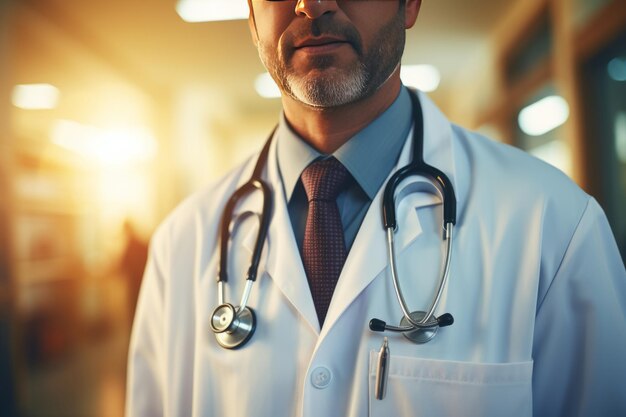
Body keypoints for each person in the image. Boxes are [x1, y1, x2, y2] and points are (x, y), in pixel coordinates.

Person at [126, 1, 626, 416]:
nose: (312, 3)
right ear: (252, 17)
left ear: (410, 3)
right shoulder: (181, 244)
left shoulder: (553, 225)